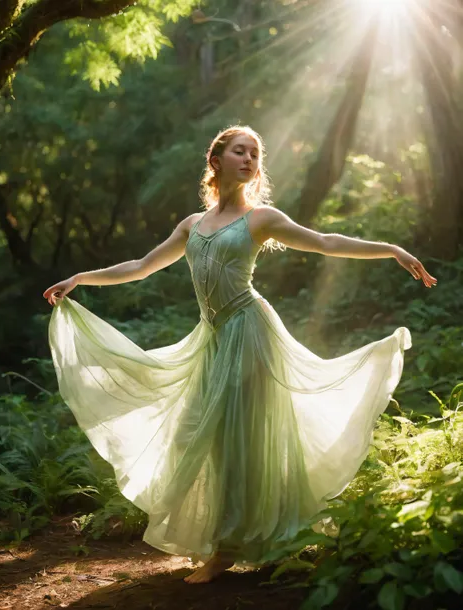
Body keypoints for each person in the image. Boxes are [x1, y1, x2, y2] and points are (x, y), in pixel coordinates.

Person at [43, 125, 437, 584]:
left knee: (236, 438)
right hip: (212, 338)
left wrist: (391, 249)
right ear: (217, 160)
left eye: (255, 153)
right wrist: (80, 278)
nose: (249, 159)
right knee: (194, 436)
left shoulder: (261, 218)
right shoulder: (192, 225)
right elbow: (141, 267)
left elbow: (326, 241)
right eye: (239, 151)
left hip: (249, 332)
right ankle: (231, 535)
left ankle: (226, 549)